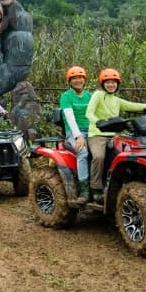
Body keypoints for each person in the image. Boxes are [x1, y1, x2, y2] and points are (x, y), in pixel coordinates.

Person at [84, 68, 146, 201]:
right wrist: (98, 122)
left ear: (118, 84)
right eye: (108, 82)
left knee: (128, 155)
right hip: (97, 135)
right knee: (98, 156)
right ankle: (95, 188)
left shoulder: (116, 100)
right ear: (103, 84)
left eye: (114, 82)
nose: (111, 85)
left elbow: (133, 105)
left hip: (114, 136)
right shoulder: (97, 95)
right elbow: (89, 113)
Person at [59, 65, 92, 201]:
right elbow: (69, 117)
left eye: (80, 78)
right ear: (70, 81)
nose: (78, 80)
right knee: (82, 152)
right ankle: (84, 190)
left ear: (84, 80)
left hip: (92, 131)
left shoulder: (90, 96)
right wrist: (78, 136)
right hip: (74, 132)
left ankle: (98, 186)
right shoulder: (66, 97)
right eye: (74, 78)